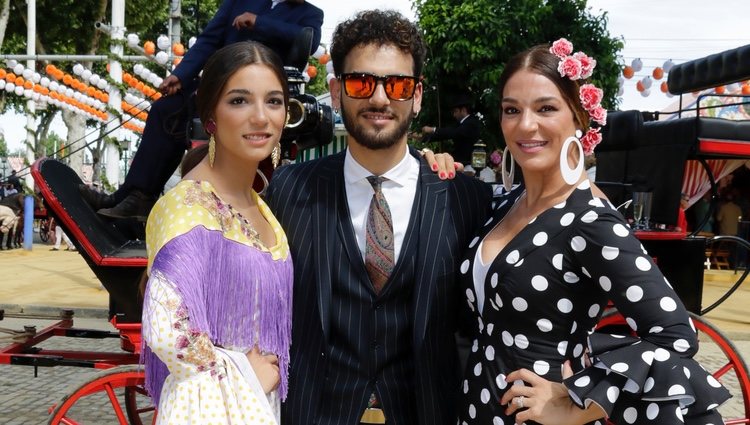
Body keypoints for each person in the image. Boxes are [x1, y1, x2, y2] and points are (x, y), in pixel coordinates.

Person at [455, 40, 729, 424]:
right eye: (511, 110)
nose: (525, 124)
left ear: (579, 118)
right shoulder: (502, 205)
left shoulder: (588, 220)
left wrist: (577, 405)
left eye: (546, 108)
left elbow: (674, 335)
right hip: (477, 408)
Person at [265, 10, 493, 425]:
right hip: (315, 412)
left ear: (417, 95)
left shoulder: (466, 199)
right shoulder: (289, 190)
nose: (380, 98)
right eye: (361, 82)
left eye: (399, 85)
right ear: (336, 91)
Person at [140, 41, 294, 424]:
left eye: (273, 102)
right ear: (210, 117)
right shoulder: (186, 206)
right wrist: (243, 371)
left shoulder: (259, 204)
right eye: (240, 101)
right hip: (212, 406)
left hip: (257, 404)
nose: (261, 117)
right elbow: (166, 331)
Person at [79, 0, 324, 220]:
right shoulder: (238, 2)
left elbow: (308, 40)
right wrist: (180, 76)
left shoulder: (311, 14)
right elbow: (209, 40)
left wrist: (259, 22)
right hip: (216, 88)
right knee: (166, 110)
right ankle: (136, 195)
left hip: (260, 99)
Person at [421, 93, 482, 165]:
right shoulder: (460, 124)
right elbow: (445, 133)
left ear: (463, 110)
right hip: (461, 162)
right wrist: (423, 137)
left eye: (455, 111)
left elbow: (452, 132)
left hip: (469, 164)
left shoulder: (471, 123)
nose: (454, 115)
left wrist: (432, 129)